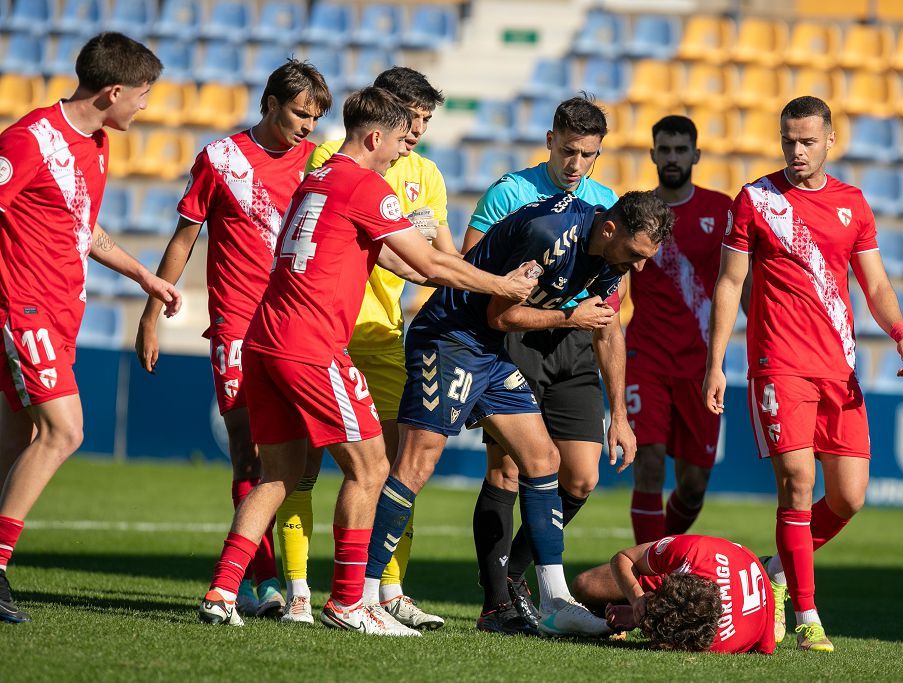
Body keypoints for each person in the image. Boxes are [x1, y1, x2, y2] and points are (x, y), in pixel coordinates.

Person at [197, 86, 537, 636]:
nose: (405, 151)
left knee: (278, 474)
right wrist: (501, 284)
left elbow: (412, 268)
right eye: (401, 140)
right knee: (374, 467)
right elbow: (428, 258)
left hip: (265, 341)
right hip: (312, 347)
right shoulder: (365, 184)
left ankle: (221, 589)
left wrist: (461, 278)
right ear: (375, 137)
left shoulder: (318, 177)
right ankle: (350, 601)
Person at [362, 190, 672, 638]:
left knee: (544, 460)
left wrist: (618, 416)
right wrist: (570, 317)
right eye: (637, 254)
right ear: (611, 229)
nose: (640, 266)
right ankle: (362, 594)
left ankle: (554, 600)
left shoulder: (609, 257)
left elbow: (605, 326)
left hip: (487, 354)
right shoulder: (550, 235)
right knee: (416, 464)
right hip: (449, 339)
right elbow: (499, 316)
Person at [703, 96, 903, 652]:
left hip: (838, 369)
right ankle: (806, 614)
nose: (796, 151)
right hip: (779, 365)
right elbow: (730, 283)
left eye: (806, 141)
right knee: (797, 484)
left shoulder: (853, 203)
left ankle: (776, 566)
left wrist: (900, 331)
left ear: (830, 141)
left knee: (848, 498)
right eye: (788, 141)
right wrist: (717, 363)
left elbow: (874, 284)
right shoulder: (755, 200)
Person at [135, 59, 332, 621]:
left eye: (316, 116)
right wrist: (153, 312)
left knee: (297, 459)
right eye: (299, 113)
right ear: (270, 102)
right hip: (238, 326)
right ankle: (260, 579)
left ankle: (283, 578)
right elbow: (184, 239)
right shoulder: (220, 160)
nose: (308, 126)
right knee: (249, 449)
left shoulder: (319, 163)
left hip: (300, 327)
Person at [0, 32, 180, 623]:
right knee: (65, 431)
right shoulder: (30, 140)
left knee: (15, 443)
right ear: (113, 91)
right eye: (144, 95)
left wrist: (144, 279)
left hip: (59, 313)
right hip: (23, 309)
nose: (147, 107)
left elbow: (86, 230)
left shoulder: (98, 145)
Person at [281, 66, 453, 629]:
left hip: (383, 336)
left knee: (398, 469)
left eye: (426, 121)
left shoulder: (426, 174)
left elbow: (439, 254)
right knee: (304, 467)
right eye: (413, 119)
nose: (418, 131)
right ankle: (301, 589)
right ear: (386, 113)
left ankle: (386, 589)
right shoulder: (333, 157)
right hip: (325, 330)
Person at [460, 94, 636, 633]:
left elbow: (611, 314)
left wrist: (620, 413)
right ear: (549, 142)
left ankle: (513, 572)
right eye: (568, 151)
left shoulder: (608, 208)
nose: (575, 165)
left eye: (587, 155)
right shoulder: (510, 193)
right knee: (508, 469)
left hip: (575, 347)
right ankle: (496, 604)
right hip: (514, 342)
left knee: (580, 479)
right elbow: (471, 272)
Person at [626, 116, 732, 544]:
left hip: (700, 364)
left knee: (693, 484)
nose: (672, 158)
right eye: (664, 150)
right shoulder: (636, 213)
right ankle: (645, 578)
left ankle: (656, 556)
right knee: (648, 461)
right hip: (645, 356)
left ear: (695, 155)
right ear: (652, 154)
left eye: (680, 150)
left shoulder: (721, 210)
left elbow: (739, 282)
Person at [572, 534, 776, 654]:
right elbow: (623, 558)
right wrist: (637, 600)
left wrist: (642, 620)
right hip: (740, 558)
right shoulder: (692, 552)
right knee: (585, 585)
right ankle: (769, 567)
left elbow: (669, 638)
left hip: (752, 592)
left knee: (586, 590)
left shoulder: (716, 644)